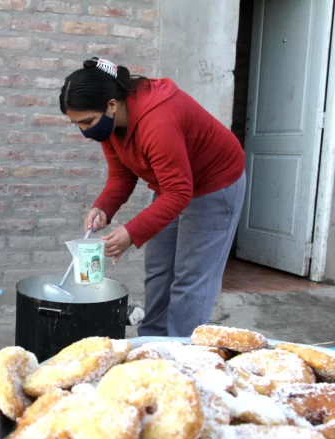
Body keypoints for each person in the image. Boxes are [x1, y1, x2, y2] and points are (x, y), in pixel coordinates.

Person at [59, 57, 246, 338]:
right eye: (77, 124)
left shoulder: (157, 120)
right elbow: (121, 176)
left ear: (112, 104)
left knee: (191, 278)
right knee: (159, 271)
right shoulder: (110, 126)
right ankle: (152, 341)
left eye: (87, 121)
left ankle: (181, 354)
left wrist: (131, 233)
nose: (85, 131)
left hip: (214, 184)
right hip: (172, 185)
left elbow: (179, 191)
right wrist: (103, 207)